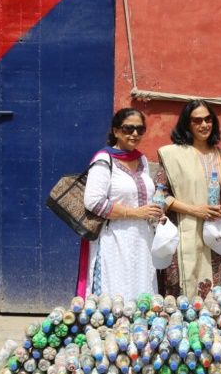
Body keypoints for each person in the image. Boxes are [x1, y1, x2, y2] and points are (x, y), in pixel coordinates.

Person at [154, 100, 221, 299]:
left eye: (208, 119)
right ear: (187, 124)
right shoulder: (173, 155)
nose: (204, 125)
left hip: (213, 235)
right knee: (178, 294)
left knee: (213, 297)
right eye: (197, 120)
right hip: (180, 234)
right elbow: (160, 195)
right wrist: (194, 210)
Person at [82, 108, 163, 300]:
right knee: (117, 295)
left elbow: (144, 198)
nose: (134, 133)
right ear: (116, 131)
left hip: (143, 240)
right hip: (115, 239)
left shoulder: (141, 159)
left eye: (140, 129)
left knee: (142, 294)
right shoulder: (104, 160)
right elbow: (93, 202)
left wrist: (155, 213)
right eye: (128, 129)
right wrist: (135, 213)